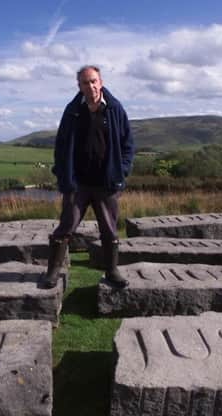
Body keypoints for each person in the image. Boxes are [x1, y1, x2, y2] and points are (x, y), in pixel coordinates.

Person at [42, 65, 135, 289]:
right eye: (85, 82)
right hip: (77, 184)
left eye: (94, 81)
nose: (90, 86)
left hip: (106, 182)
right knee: (66, 227)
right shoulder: (72, 110)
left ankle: (112, 271)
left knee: (109, 229)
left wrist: (120, 171)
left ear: (100, 82)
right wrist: (64, 175)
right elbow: (61, 146)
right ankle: (53, 271)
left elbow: (128, 145)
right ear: (79, 86)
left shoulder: (114, 109)